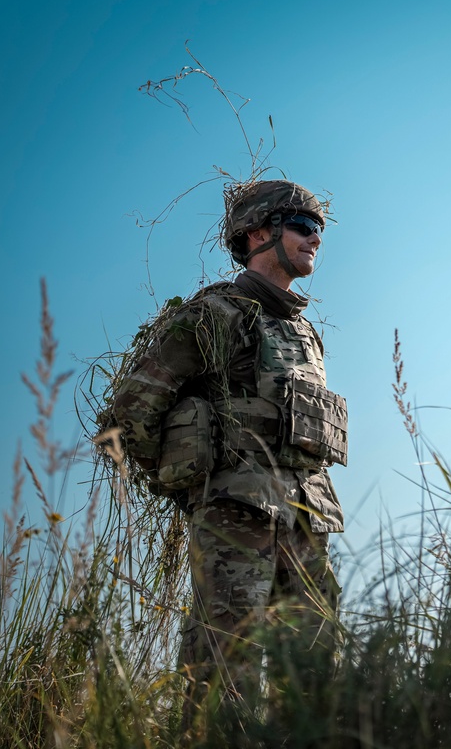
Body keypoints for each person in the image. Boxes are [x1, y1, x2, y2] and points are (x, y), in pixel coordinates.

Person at [112, 179, 348, 739]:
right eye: (303, 225)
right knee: (225, 676)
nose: (316, 239)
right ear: (258, 233)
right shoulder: (216, 313)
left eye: (320, 229)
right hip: (234, 520)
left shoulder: (306, 333)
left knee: (317, 674)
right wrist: (187, 486)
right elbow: (128, 414)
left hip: (307, 526)